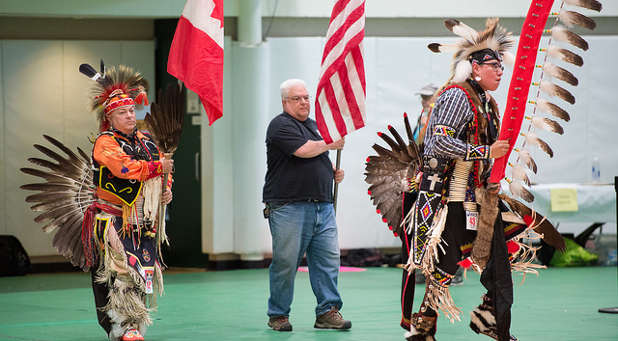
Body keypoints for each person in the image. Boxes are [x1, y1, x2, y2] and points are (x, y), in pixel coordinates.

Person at [403, 19, 516, 341]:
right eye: (493, 66)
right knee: (444, 264)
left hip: (478, 196)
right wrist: (485, 151)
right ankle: (422, 329)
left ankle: (489, 318)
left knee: (498, 258)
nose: (499, 71)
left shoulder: (486, 101)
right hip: (448, 197)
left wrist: (490, 170)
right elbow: (438, 143)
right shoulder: (457, 96)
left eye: (500, 66)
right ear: (474, 68)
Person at [84, 65, 173, 341]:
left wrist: (166, 191)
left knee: (141, 271)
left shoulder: (147, 142)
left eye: (132, 111)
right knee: (117, 274)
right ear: (110, 117)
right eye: (122, 112)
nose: (130, 116)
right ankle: (119, 327)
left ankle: (136, 324)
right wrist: (159, 166)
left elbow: (165, 173)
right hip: (112, 220)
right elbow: (124, 168)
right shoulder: (105, 143)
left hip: (143, 222)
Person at [262, 78, 351, 332]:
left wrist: (332, 170)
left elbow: (317, 154)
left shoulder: (313, 126)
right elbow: (303, 151)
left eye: (306, 97)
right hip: (289, 206)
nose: (303, 102)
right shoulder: (280, 125)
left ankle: (327, 311)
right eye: (297, 98)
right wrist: (329, 144)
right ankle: (278, 314)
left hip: (322, 205)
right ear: (285, 102)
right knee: (286, 262)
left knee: (328, 260)